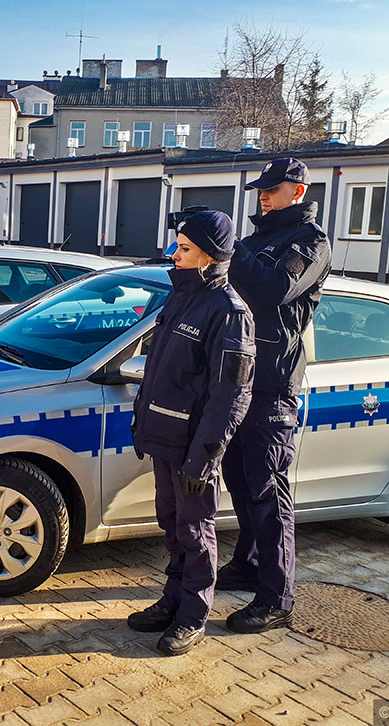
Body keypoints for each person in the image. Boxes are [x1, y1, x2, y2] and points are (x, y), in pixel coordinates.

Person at [129, 210, 255, 657]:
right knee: (171, 525)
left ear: (209, 255)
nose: (174, 255)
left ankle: (193, 615)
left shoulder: (229, 313)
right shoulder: (179, 298)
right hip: (164, 439)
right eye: (177, 247)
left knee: (195, 530)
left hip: (194, 450)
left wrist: (205, 457)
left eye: (184, 249)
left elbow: (230, 397)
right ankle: (172, 600)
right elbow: (160, 371)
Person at [220, 157, 331, 634]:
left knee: (268, 491)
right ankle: (247, 564)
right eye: (260, 188)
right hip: (240, 378)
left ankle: (276, 595)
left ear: (298, 192)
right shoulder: (259, 237)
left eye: (273, 187)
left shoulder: (310, 242)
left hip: (273, 385)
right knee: (239, 479)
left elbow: (272, 289)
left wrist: (230, 251)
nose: (263, 195)